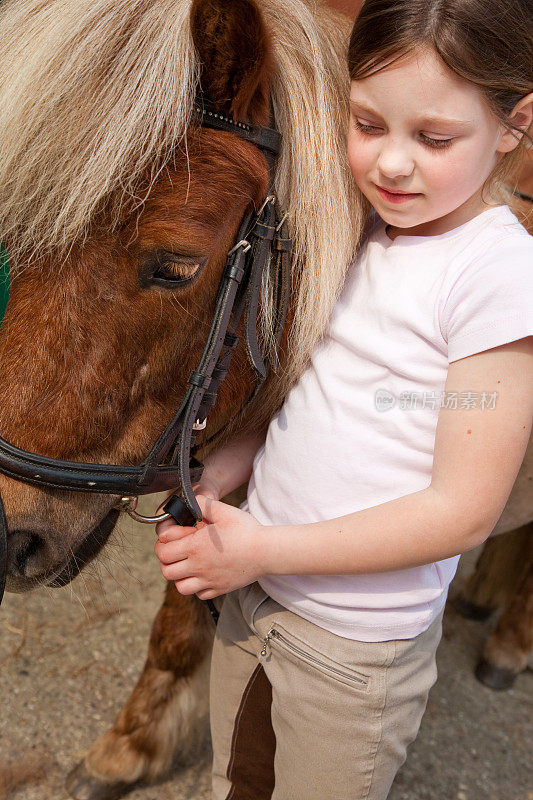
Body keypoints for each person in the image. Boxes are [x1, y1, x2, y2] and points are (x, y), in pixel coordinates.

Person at [155, 0, 533, 797]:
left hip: (350, 646)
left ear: (512, 124)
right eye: (367, 125)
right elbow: (306, 394)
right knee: (238, 778)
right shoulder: (359, 226)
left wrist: (259, 550)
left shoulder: (496, 277)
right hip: (255, 596)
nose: (391, 164)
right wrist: (221, 469)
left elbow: (460, 510)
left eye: (433, 139)